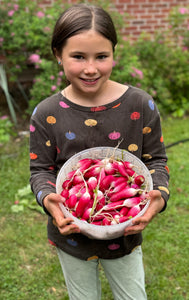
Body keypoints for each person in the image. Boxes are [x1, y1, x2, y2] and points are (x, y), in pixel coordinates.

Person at [29, 3, 170, 300]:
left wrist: (158, 197)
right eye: (78, 57)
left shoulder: (140, 105)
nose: (91, 68)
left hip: (125, 233)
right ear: (58, 55)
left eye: (101, 56)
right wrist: (50, 201)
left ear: (114, 54)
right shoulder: (46, 113)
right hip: (71, 237)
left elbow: (155, 160)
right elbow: (41, 169)